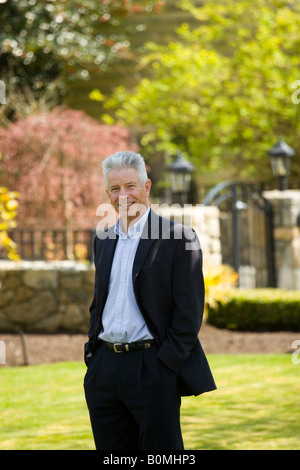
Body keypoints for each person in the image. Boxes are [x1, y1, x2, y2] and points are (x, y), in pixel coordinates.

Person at [84, 151, 216, 450]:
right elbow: (99, 302)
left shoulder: (177, 238)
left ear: (147, 187)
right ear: (107, 193)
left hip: (152, 367)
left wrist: (165, 365)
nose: (123, 195)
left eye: (130, 186)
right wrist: (92, 357)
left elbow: (189, 313)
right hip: (104, 369)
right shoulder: (103, 241)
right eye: (115, 189)